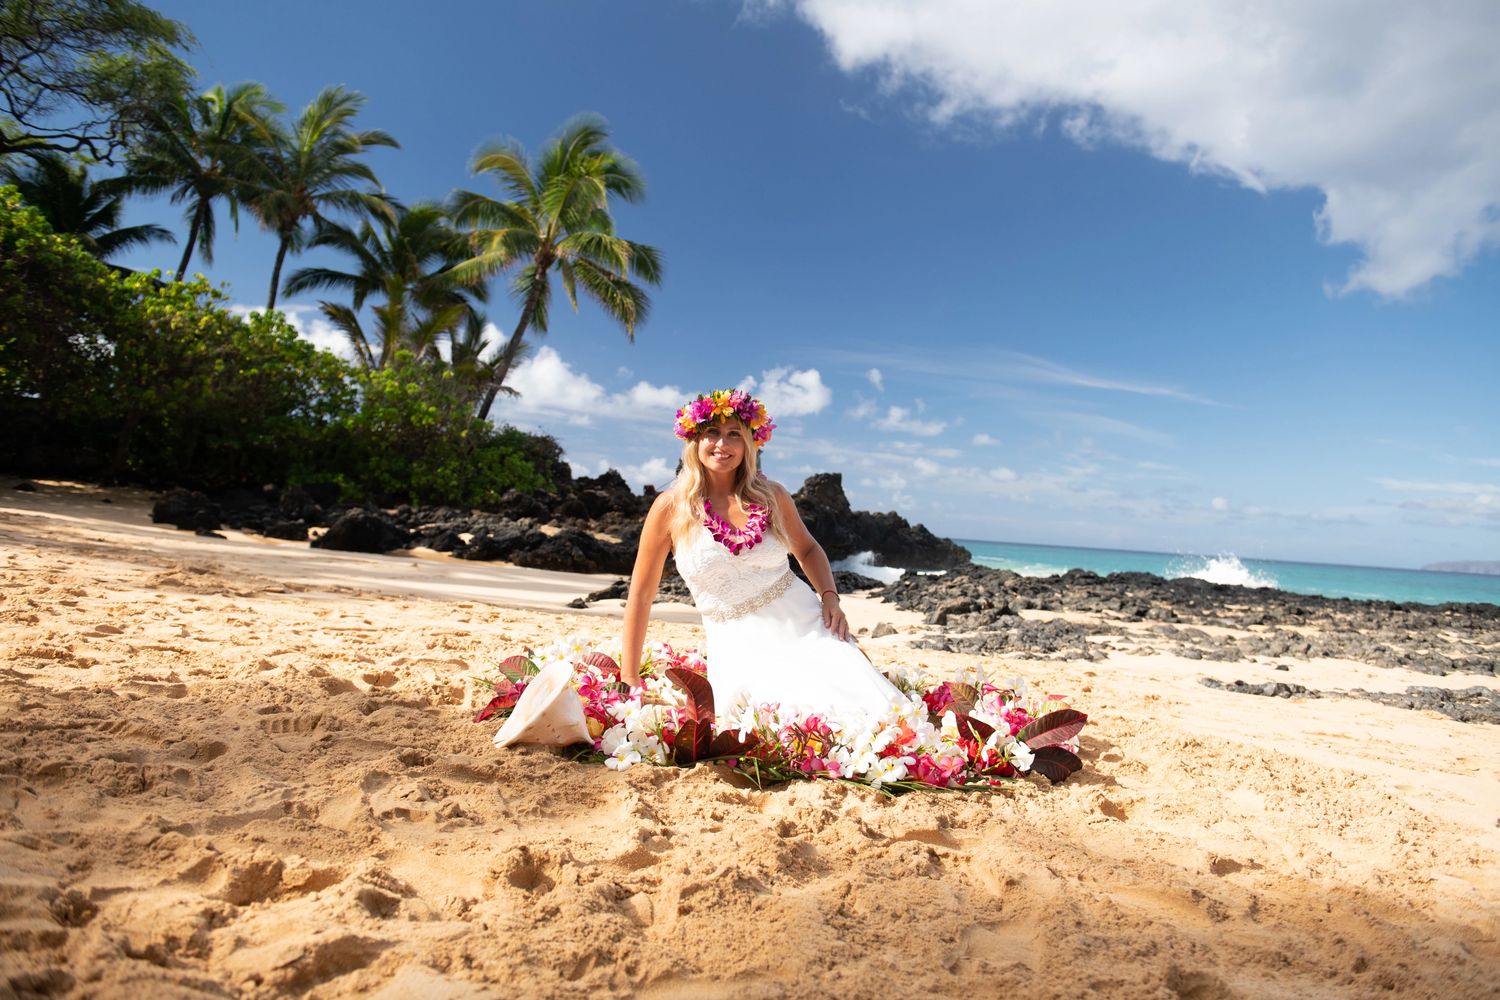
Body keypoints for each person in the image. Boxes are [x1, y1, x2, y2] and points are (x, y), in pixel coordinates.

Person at [620, 389, 901, 720]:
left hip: (805, 624)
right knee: (777, 720)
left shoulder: (772, 496)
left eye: (734, 435)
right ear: (695, 441)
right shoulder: (670, 507)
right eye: (712, 433)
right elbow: (640, 595)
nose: (722, 445)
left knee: (874, 712)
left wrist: (830, 597)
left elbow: (808, 548)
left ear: (749, 445)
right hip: (737, 644)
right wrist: (629, 676)